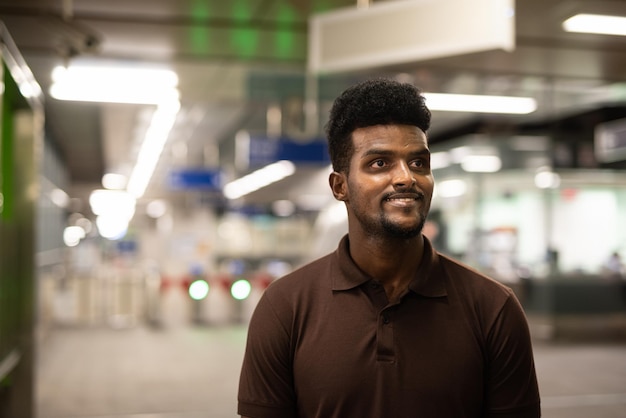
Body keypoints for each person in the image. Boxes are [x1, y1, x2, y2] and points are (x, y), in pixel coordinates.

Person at [238, 78, 541, 418]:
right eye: (380, 163)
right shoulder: (285, 308)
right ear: (340, 186)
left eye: (418, 163)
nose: (406, 178)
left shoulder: (493, 309)